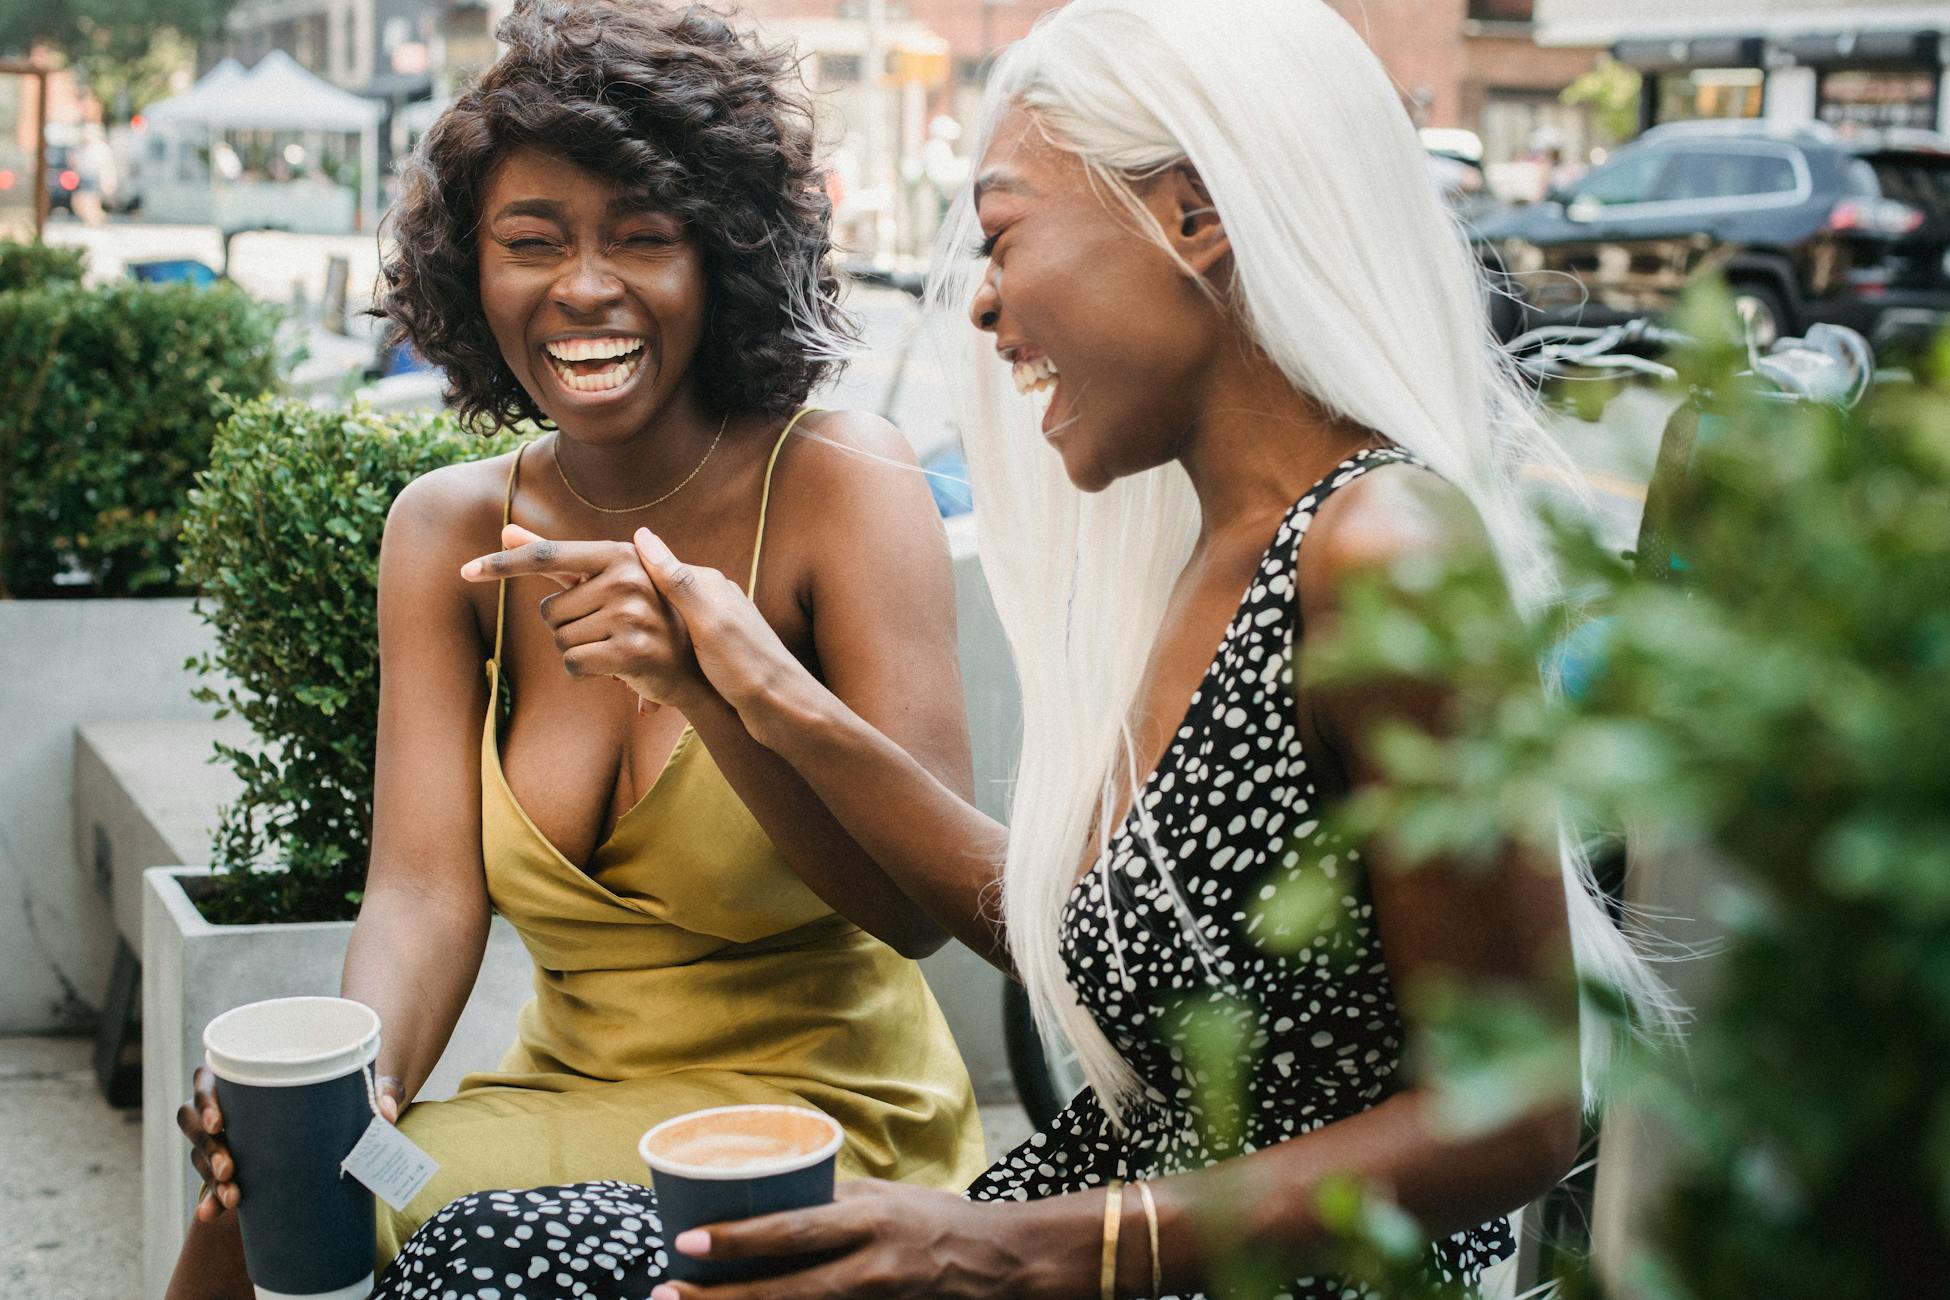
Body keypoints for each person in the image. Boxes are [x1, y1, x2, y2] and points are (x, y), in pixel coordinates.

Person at [378, 0, 1678, 1296]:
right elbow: (1063, 931)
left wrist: (1003, 1245)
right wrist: (752, 688)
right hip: (1071, 1229)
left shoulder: (1382, 549)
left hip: (1234, 1266)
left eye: (1000, 237)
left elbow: (1514, 1115)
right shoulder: (1210, 554)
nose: (985, 309)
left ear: (1191, 215)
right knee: (481, 1246)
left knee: (494, 1263)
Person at [165, 3, 987, 1295]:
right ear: (470, 271)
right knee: (256, 1207)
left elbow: (914, 909)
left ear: (723, 257)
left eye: (643, 238)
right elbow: (424, 895)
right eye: (529, 243)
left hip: (809, 1123)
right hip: (562, 1092)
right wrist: (354, 1084)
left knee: (468, 1263)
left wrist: (717, 694)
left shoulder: (841, 483)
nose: (583, 287)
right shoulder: (445, 533)